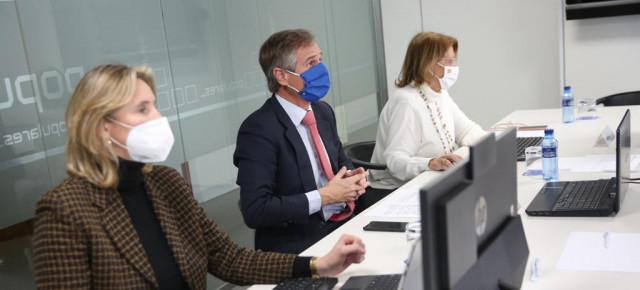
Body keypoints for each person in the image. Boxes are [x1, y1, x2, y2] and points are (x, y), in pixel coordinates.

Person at [32, 64, 366, 289]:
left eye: (154, 105)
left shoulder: (165, 184)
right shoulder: (65, 209)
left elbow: (227, 257)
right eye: (143, 109)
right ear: (102, 125)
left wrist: (317, 265)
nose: (159, 118)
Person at [233, 29, 369, 254]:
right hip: (297, 246)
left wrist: (355, 179)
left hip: (344, 227)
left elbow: (342, 163)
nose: (321, 69)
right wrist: (325, 196)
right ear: (281, 76)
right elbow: (255, 210)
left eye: (320, 60)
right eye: (310, 63)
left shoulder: (322, 112)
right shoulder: (258, 129)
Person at [370, 32, 486, 190]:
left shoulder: (440, 94)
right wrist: (430, 163)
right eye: (449, 61)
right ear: (429, 65)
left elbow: (467, 131)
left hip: (432, 181)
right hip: (396, 190)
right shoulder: (407, 102)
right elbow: (395, 160)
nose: (454, 67)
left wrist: (494, 145)